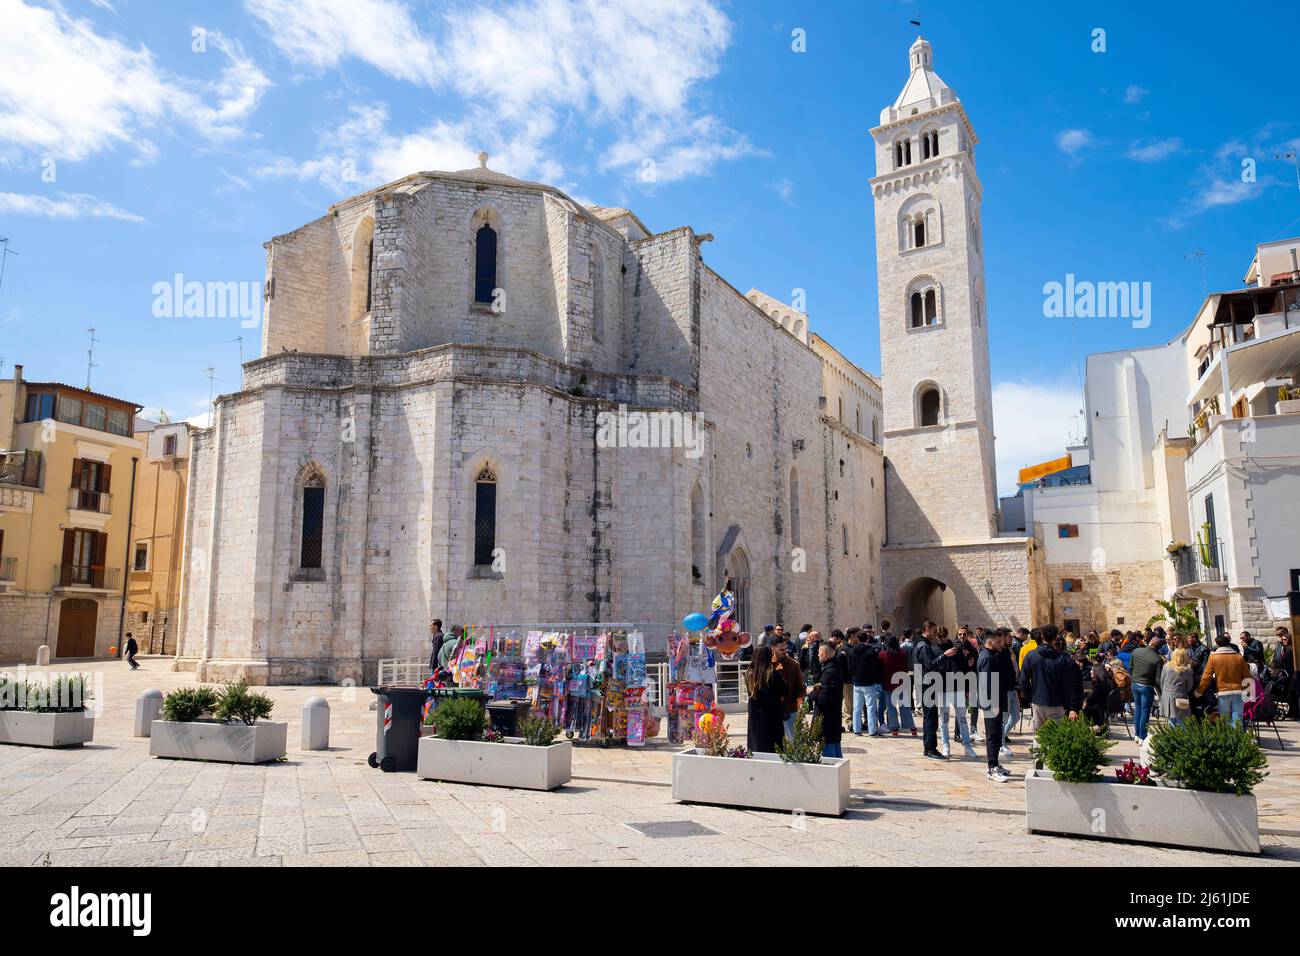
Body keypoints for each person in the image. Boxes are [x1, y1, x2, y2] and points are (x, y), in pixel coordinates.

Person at [1019, 625, 1083, 728]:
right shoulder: (1064, 659)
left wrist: (1031, 699)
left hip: (1038, 702)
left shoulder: (1031, 656)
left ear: (1042, 636)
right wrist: (1074, 707)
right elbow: (1076, 683)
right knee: (1056, 738)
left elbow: (1023, 680)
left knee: (1039, 737)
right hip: (1057, 704)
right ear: (1055, 638)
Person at [915, 620, 956, 760]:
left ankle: (929, 748)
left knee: (929, 718)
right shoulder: (924, 646)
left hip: (925, 685)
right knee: (931, 718)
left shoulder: (921, 644)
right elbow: (931, 665)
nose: (935, 634)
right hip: (928, 686)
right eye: (933, 631)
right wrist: (945, 655)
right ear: (927, 629)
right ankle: (931, 749)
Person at [977, 632, 1011, 782]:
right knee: (992, 735)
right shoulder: (987, 658)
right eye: (997, 642)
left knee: (997, 734)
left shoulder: (991, 656)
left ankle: (996, 764)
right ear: (990, 643)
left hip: (996, 700)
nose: (1000, 644)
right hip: (992, 702)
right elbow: (987, 683)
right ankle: (991, 768)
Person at [1197, 633, 1250, 728]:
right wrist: (1250, 694)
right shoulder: (1238, 657)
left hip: (1223, 692)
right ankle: (1239, 740)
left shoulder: (1213, 657)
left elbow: (1207, 676)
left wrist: (1199, 691)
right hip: (1238, 691)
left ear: (1217, 644)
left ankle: (1229, 740)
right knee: (1238, 718)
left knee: (1224, 719)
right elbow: (1247, 676)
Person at [808, 641, 845, 758]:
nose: (817, 655)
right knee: (836, 755)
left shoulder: (829, 672)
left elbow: (824, 699)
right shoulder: (836, 668)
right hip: (833, 721)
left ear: (823, 653)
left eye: (819, 652)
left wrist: (811, 692)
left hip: (827, 721)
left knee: (829, 760)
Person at [745, 645, 785, 754]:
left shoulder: (749, 672)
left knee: (757, 745)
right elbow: (784, 689)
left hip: (754, 714)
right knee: (772, 747)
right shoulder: (771, 673)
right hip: (771, 715)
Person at [846, 630, 884, 736]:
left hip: (856, 682)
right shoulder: (871, 651)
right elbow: (875, 667)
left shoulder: (851, 651)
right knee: (871, 706)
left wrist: (853, 676)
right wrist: (878, 679)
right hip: (868, 682)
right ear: (867, 639)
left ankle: (856, 729)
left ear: (857, 639)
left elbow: (850, 667)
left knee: (857, 707)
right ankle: (872, 730)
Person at [1129, 635, 1164, 742]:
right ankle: (1142, 736)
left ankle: (1137, 734)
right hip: (1147, 686)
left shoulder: (1136, 651)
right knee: (1145, 711)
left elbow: (1131, 667)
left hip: (1135, 684)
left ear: (1150, 643)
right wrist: (1161, 692)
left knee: (1138, 709)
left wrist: (1135, 677)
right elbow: (1158, 679)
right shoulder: (1158, 659)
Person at [879, 635, 916, 737]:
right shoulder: (902, 654)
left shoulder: (882, 654)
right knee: (905, 706)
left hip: (888, 683)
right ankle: (912, 728)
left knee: (891, 707)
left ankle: (894, 728)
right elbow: (905, 668)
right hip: (901, 682)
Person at [771, 636, 804, 741]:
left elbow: (799, 687)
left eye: (786, 648)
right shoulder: (767, 664)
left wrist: (800, 703)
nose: (784, 651)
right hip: (772, 710)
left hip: (790, 709)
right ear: (773, 648)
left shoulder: (794, 665)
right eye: (781, 649)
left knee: (794, 742)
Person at [1160, 648, 1194, 727]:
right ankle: (1182, 738)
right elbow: (1190, 685)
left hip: (1167, 694)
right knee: (1182, 720)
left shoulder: (1166, 666)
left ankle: (1173, 737)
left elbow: (1162, 681)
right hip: (1181, 694)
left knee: (1171, 719)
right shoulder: (1188, 669)